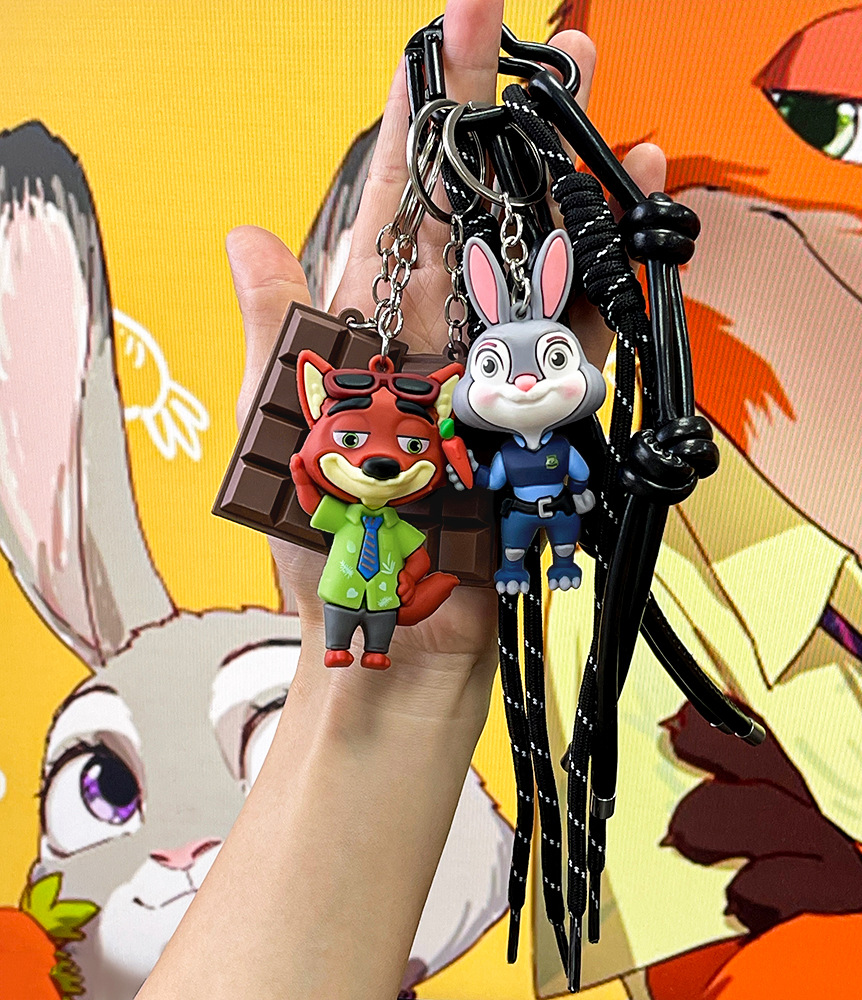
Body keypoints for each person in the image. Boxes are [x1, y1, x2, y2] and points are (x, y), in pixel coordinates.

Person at [134, 2, 665, 997]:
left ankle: (494, 581)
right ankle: (372, 644)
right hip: (372, 568)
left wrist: (482, 470)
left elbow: (489, 462)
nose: (380, 461)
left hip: (511, 516)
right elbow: (374, 479)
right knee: (361, 613)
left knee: (534, 537)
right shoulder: (358, 481)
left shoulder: (500, 435)